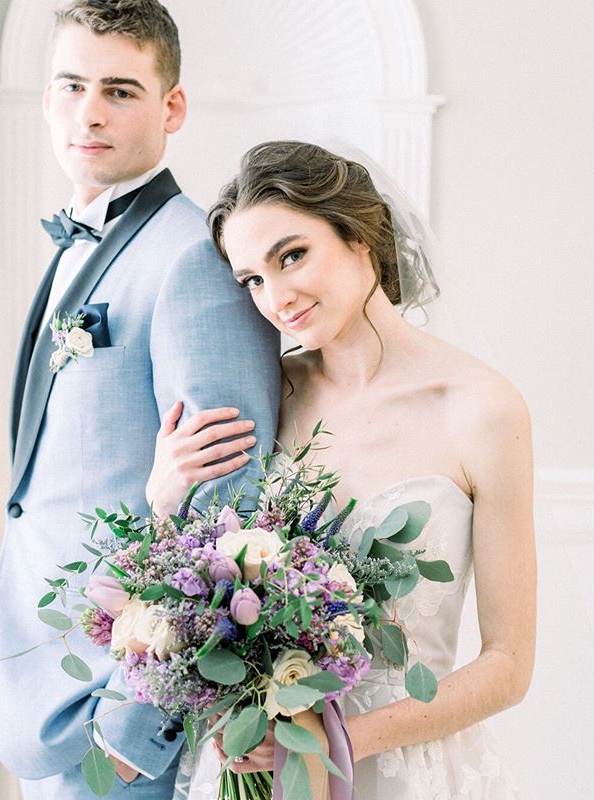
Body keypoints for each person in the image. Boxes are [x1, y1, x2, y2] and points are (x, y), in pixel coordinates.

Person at [148, 141, 536, 798]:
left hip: (406, 766)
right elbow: (198, 578)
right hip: (260, 761)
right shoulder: (267, 396)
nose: (276, 298)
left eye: (291, 256)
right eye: (252, 280)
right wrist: (164, 496)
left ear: (360, 234)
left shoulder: (480, 409)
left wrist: (333, 742)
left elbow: (509, 665)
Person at [0, 3, 280, 798]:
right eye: (71, 85)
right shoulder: (80, 245)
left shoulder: (193, 258)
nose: (89, 112)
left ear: (171, 107)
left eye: (119, 90)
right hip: (48, 696)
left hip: (115, 714)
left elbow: (229, 506)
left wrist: (135, 728)